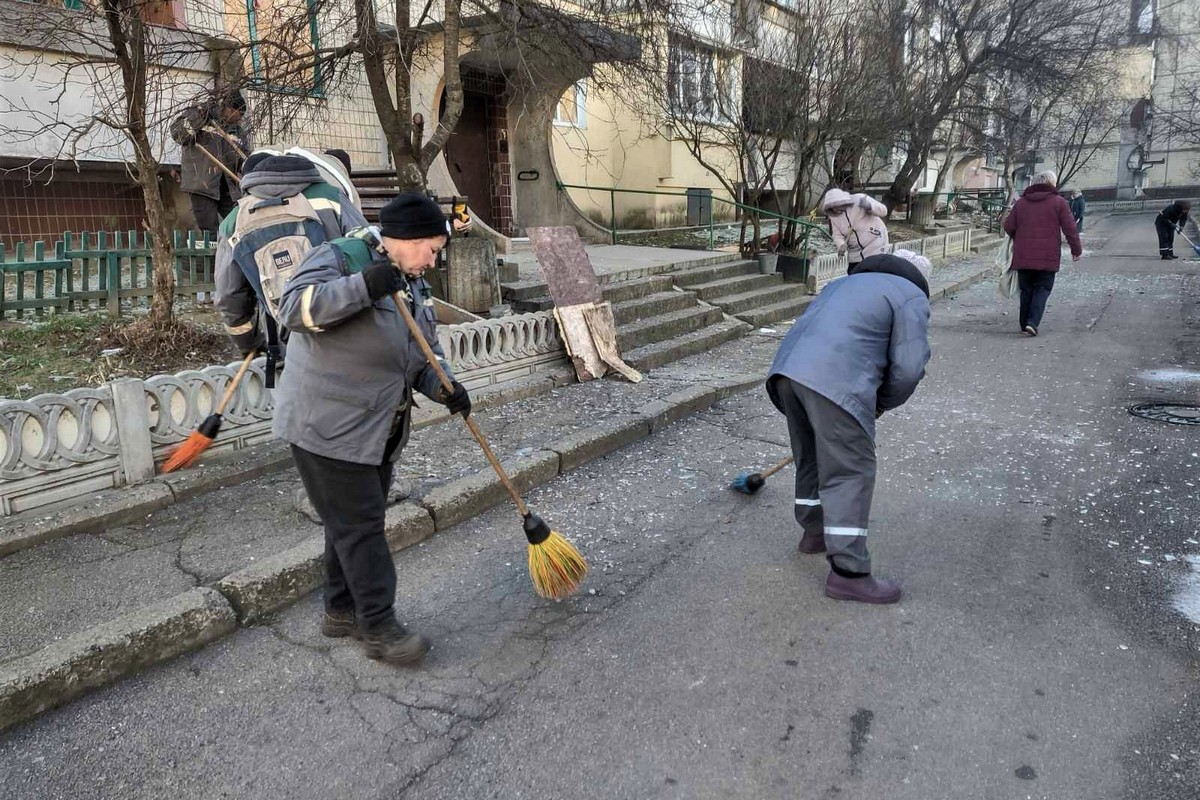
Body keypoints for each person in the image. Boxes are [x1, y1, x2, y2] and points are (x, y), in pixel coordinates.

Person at [274, 193, 468, 666]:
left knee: (352, 522)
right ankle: (379, 626)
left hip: (376, 427)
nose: (434, 259)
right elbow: (294, 310)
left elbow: (422, 350)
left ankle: (341, 610)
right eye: (432, 248)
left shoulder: (413, 281)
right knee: (361, 526)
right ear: (404, 240)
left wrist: (441, 385)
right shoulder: (341, 258)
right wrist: (363, 286)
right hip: (327, 424)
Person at [765, 250, 933, 605]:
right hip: (836, 382)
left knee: (810, 457)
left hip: (788, 372)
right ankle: (849, 573)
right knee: (850, 470)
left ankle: (815, 533)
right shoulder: (909, 295)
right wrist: (881, 401)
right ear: (920, 278)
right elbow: (909, 366)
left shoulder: (843, 284)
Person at [213, 151, 369, 382]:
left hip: (290, 343)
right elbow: (368, 249)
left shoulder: (233, 222)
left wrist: (250, 345)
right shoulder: (330, 197)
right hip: (351, 332)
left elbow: (229, 296)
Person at [1001, 170, 1082, 337]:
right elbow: (1070, 228)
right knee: (1042, 288)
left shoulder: (1021, 203)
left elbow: (1009, 226)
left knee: (1027, 289)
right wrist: (1076, 250)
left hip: (1023, 255)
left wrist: (1021, 236)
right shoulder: (1059, 202)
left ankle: (1024, 323)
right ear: (1051, 184)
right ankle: (1032, 322)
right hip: (1048, 256)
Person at [170, 90, 248, 234]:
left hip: (228, 188)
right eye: (240, 114)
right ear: (229, 109)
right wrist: (200, 116)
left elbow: (243, 160)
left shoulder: (237, 132)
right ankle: (213, 254)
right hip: (201, 184)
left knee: (239, 225)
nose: (240, 120)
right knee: (209, 231)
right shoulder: (200, 117)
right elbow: (178, 134)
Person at [822, 188, 890, 267]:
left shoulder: (859, 199)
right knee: (854, 274)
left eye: (837, 205)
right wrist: (841, 245)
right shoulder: (834, 217)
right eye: (832, 207)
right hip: (855, 253)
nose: (835, 209)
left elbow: (884, 211)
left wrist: (870, 206)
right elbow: (837, 235)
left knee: (872, 274)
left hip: (875, 246)